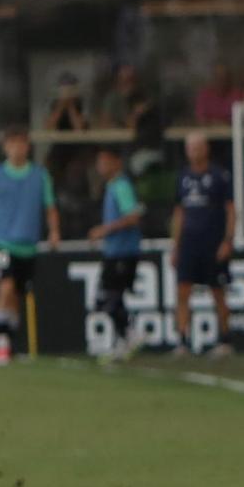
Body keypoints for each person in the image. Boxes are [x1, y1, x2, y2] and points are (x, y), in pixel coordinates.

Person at [170, 132, 235, 358]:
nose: (194, 152)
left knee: (217, 291)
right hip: (188, 243)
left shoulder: (219, 176)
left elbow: (230, 210)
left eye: (198, 147)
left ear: (205, 149)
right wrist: (175, 246)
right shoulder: (183, 177)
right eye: (190, 148)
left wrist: (228, 240)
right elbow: (179, 213)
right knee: (182, 291)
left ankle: (225, 340)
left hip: (212, 242)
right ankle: (182, 341)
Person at [0, 125, 59, 362]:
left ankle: (9, 340)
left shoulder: (39, 176)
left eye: (21, 143)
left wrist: (54, 231)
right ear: (6, 147)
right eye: (12, 143)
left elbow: (50, 206)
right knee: (5, 285)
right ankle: (1, 341)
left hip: (28, 245)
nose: (17, 148)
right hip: (2, 243)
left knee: (17, 294)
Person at [89, 144, 145, 360]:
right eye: (99, 162)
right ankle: (125, 338)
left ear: (116, 163)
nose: (100, 166)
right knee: (108, 298)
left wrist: (105, 229)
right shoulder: (113, 186)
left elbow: (133, 217)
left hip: (123, 251)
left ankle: (131, 333)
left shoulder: (121, 186)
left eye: (105, 161)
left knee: (109, 296)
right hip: (114, 251)